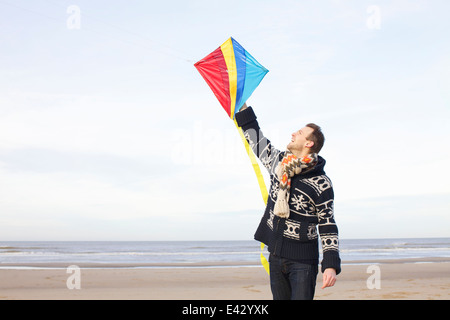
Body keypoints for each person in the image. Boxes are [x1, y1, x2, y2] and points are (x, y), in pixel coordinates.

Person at [235, 103, 341, 300]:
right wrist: (241, 104)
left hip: (303, 262)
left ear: (309, 143)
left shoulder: (321, 183)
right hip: (275, 255)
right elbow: (257, 140)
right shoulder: (279, 163)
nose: (293, 133)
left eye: (300, 133)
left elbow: (327, 224)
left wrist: (331, 264)